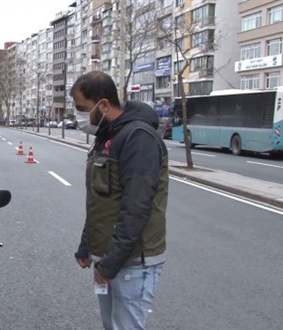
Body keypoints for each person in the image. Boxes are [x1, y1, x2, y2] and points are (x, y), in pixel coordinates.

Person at [71, 71, 168, 330]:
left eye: (82, 109)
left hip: (134, 261)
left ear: (103, 105)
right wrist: (86, 247)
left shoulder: (138, 138)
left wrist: (110, 264)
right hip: (110, 257)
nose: (78, 117)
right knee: (111, 325)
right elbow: (100, 200)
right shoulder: (107, 136)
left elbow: (136, 209)